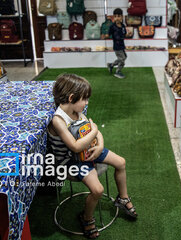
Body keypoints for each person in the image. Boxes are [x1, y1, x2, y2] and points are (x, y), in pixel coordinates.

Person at [48, 73, 137, 239]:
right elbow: (75, 147)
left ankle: (123, 198)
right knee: (97, 190)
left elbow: (96, 134)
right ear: (72, 97)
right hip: (71, 161)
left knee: (121, 162)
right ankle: (86, 217)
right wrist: (94, 131)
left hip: (89, 151)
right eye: (85, 99)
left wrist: (100, 145)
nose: (87, 103)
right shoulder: (58, 120)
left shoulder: (77, 112)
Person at [107, 8, 127, 79]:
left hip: (122, 45)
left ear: (122, 17)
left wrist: (127, 34)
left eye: (118, 16)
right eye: (115, 16)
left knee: (124, 57)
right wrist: (106, 36)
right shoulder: (112, 27)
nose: (117, 18)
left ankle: (111, 65)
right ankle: (117, 72)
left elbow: (124, 34)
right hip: (117, 46)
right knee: (122, 60)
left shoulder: (123, 26)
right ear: (113, 17)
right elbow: (108, 34)